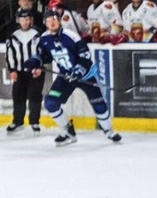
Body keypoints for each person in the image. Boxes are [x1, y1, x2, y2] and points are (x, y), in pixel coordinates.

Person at [23, 9, 122, 146]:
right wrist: (34, 62)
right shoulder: (44, 39)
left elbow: (85, 57)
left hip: (86, 75)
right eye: (49, 20)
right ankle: (68, 131)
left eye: (54, 19)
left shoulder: (71, 36)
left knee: (98, 103)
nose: (52, 22)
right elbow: (44, 56)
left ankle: (109, 131)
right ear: (45, 23)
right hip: (65, 76)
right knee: (51, 103)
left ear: (59, 20)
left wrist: (77, 71)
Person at [5, 9, 44, 135]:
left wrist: (40, 67)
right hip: (19, 72)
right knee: (18, 96)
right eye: (23, 19)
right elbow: (10, 54)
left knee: (34, 96)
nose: (25, 22)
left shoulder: (38, 33)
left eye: (27, 19)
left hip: (35, 72)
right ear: (18, 20)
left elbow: (43, 52)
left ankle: (34, 122)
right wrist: (12, 70)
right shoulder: (13, 35)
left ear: (31, 20)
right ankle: (18, 122)